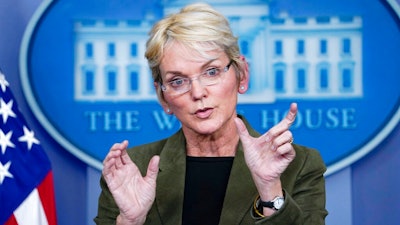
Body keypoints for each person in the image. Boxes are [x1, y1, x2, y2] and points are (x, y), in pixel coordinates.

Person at [94, 3, 328, 225]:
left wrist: (270, 190)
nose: (197, 92)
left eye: (211, 72)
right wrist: (130, 221)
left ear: (242, 75)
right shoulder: (132, 168)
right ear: (163, 97)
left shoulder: (300, 165)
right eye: (177, 81)